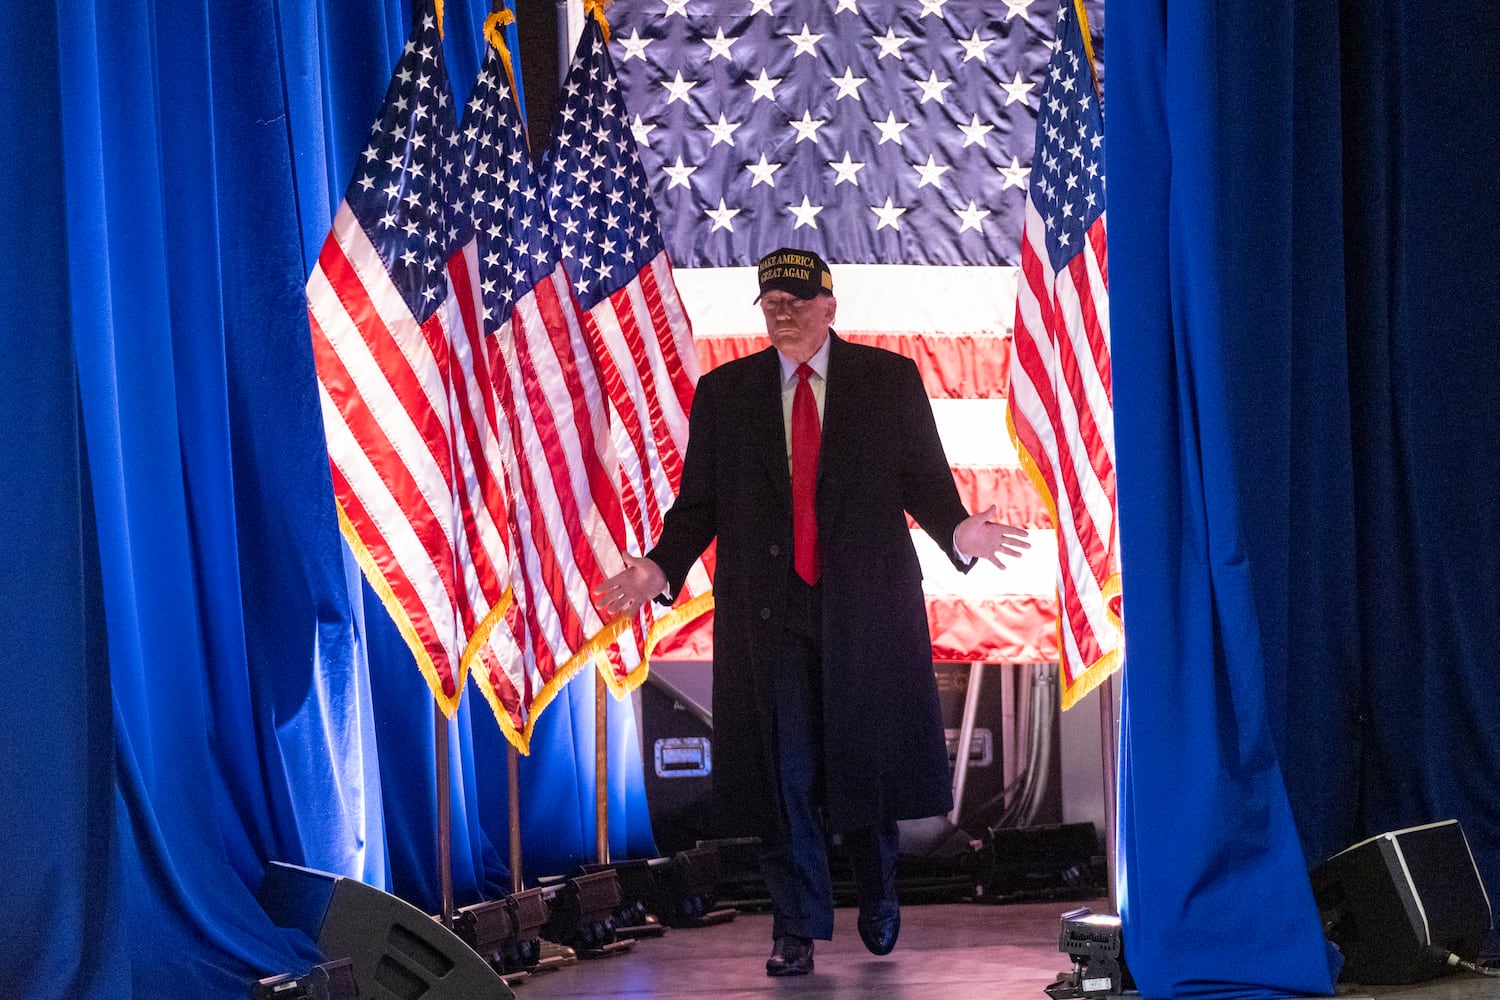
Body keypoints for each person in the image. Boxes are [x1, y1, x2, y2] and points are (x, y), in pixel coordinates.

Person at [594, 248, 1029, 977]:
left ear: (831, 306)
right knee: (782, 773)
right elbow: (697, 505)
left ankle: (880, 891)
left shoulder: (887, 382)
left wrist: (959, 531)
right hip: (768, 616)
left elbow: (924, 482)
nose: (782, 310)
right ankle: (795, 926)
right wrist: (660, 567)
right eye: (770, 301)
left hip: (864, 609)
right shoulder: (726, 393)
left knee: (862, 764)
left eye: (796, 298)